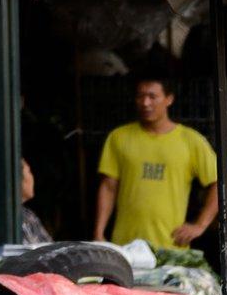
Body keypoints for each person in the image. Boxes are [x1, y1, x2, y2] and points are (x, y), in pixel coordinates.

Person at [93, 72, 220, 251]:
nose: (145, 103)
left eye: (152, 96)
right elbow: (108, 187)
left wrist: (200, 225)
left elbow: (218, 183)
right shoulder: (118, 137)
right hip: (125, 245)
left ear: (169, 99)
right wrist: (99, 232)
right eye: (140, 96)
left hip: (171, 247)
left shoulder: (190, 140)